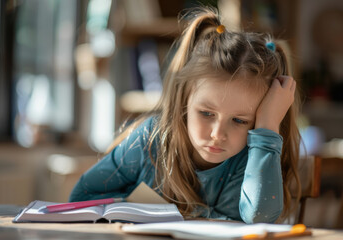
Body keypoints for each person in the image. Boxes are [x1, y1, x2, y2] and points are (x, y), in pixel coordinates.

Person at [69, 7, 302, 224]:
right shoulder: (150, 139)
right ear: (184, 101)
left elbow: (260, 218)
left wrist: (269, 127)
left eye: (239, 120)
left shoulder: (251, 157)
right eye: (206, 113)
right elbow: (82, 197)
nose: (217, 134)